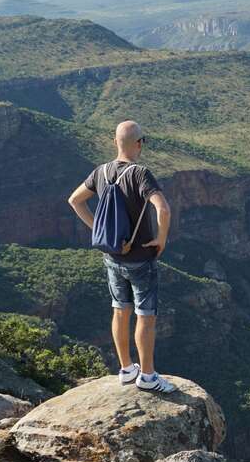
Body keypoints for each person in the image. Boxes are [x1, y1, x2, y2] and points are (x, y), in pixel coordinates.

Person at [67, 120, 176, 393]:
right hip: (140, 259)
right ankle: (148, 376)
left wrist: (100, 231)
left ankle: (127, 369)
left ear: (115, 142)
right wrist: (161, 239)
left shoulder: (101, 171)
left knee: (119, 310)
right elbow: (163, 209)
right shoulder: (141, 174)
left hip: (113, 257)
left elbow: (75, 201)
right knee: (145, 315)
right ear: (139, 143)